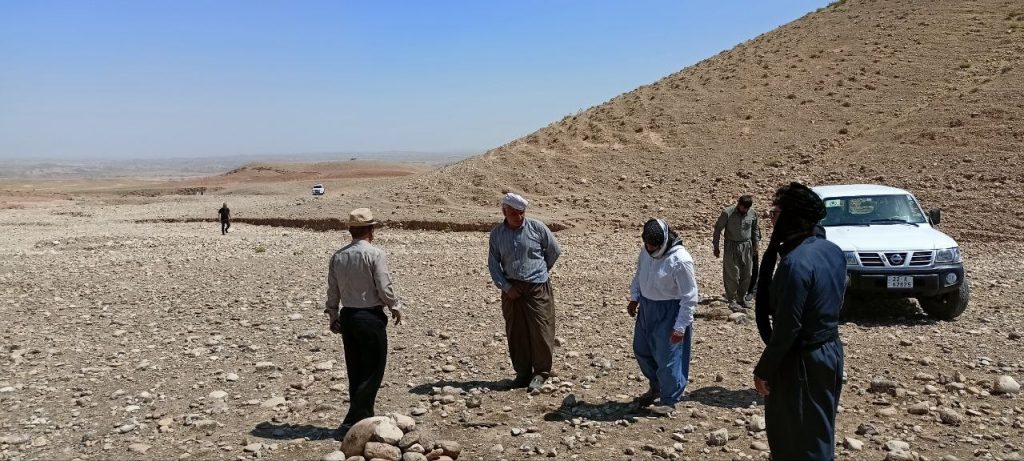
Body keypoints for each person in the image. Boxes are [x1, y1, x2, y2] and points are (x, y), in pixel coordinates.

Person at [752, 183, 845, 461]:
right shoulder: (832, 250)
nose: (772, 219)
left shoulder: (795, 263)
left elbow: (788, 326)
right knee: (818, 430)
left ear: (790, 217)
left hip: (801, 359)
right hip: (829, 351)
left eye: (775, 213)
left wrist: (764, 369)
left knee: (796, 437)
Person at [325, 208, 403, 438]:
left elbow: (333, 290)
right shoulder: (375, 254)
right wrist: (394, 305)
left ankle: (362, 420)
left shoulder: (338, 256)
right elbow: (384, 285)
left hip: (348, 316)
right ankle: (353, 420)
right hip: (370, 317)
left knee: (356, 370)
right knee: (373, 371)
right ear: (370, 230)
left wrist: (333, 314)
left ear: (351, 230)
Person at [488, 192, 562, 392]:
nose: (519, 216)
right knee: (516, 332)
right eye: (514, 213)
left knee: (542, 329)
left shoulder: (537, 227)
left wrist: (541, 270)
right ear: (504, 212)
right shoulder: (497, 234)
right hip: (511, 289)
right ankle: (522, 374)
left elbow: (554, 250)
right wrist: (506, 287)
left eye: (521, 212)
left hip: (537, 286)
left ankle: (541, 373)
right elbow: (493, 264)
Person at [626, 218, 698, 416]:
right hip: (647, 308)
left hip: (670, 311)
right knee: (641, 349)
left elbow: (690, 297)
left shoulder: (681, 260)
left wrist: (680, 326)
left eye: (654, 246)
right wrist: (634, 298)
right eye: (647, 245)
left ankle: (670, 399)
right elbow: (640, 273)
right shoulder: (646, 251)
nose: (650, 249)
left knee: (668, 357)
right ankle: (656, 386)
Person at [712, 195, 759, 312]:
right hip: (731, 246)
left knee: (747, 274)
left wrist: (756, 245)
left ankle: (741, 298)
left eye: (747, 208)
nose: (745, 210)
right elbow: (717, 229)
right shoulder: (727, 213)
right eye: (743, 207)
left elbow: (755, 230)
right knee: (732, 274)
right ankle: (731, 300)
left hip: (747, 246)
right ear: (738, 204)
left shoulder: (752, 213)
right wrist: (716, 246)